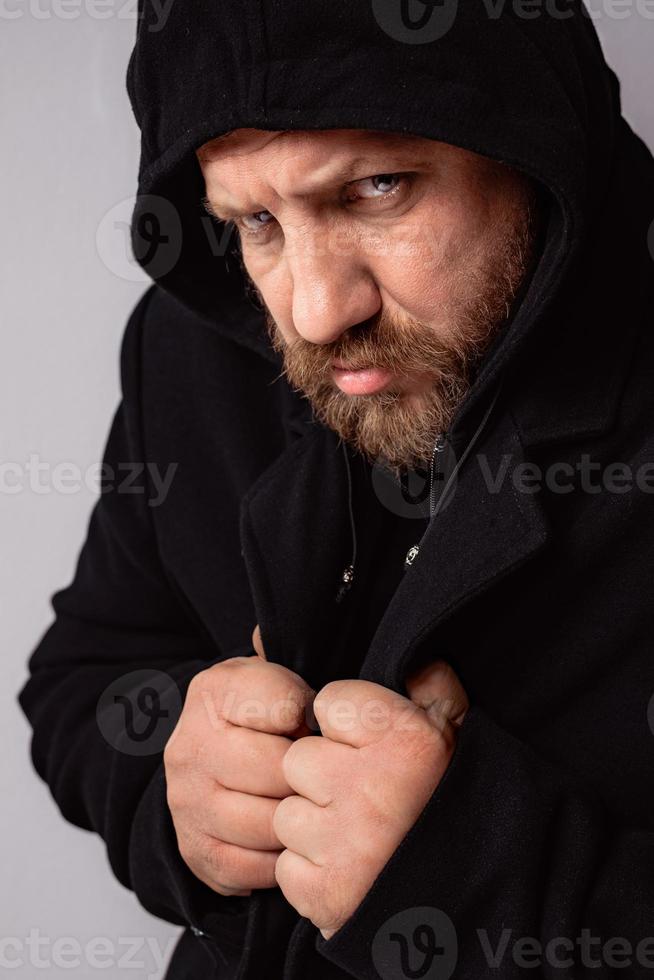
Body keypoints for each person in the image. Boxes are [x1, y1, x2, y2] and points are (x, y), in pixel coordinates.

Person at [17, 1, 654, 978]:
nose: (316, 310)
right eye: (256, 221)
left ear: (535, 141)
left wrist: (477, 877)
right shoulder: (189, 348)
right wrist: (169, 788)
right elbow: (85, 671)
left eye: (377, 187)